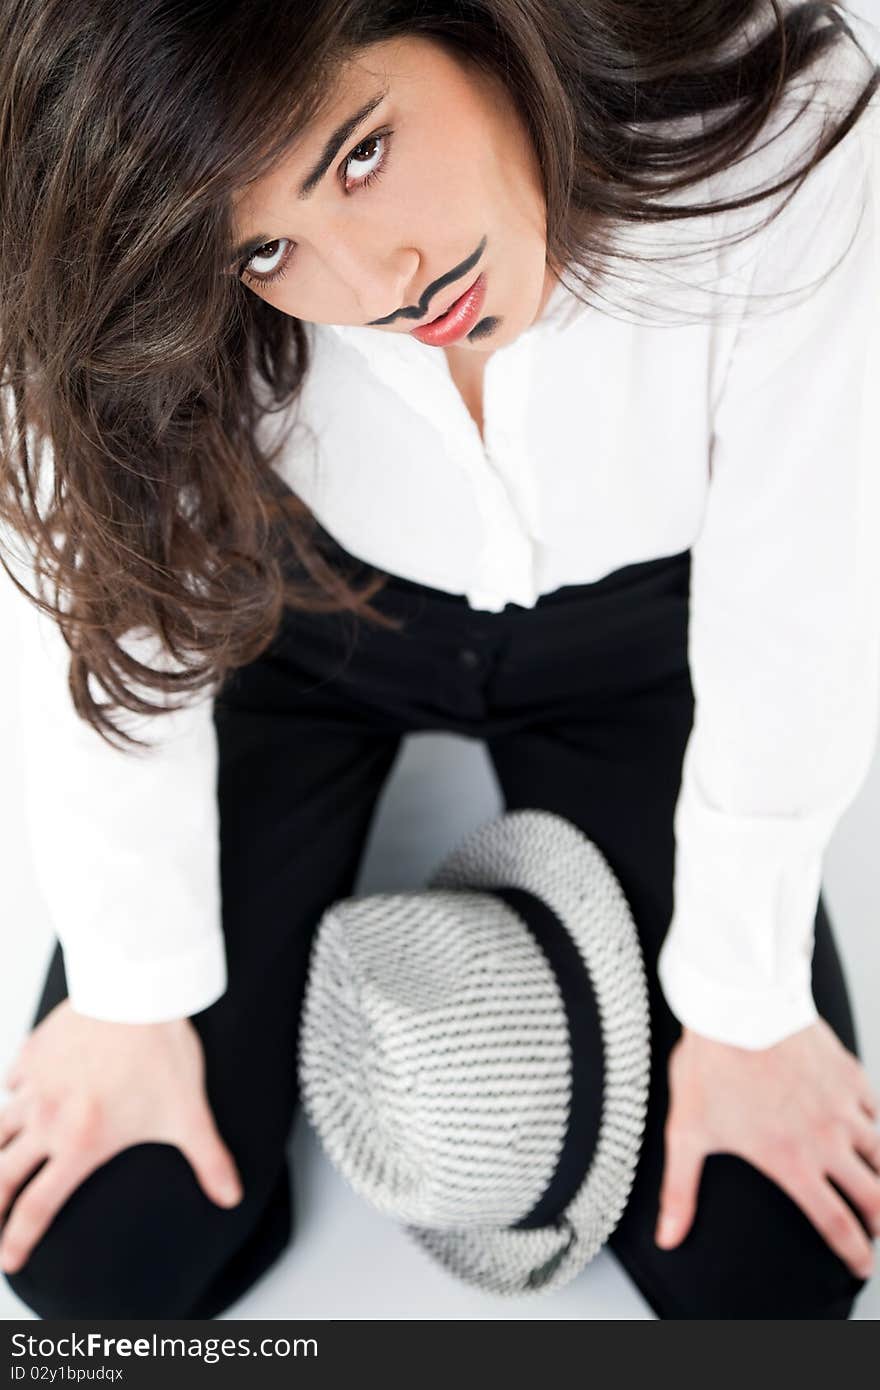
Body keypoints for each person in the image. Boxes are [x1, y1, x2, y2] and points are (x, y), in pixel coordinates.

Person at [0, 0, 879, 1321]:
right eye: (271, 247)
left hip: (641, 638)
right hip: (302, 616)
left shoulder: (765, 114)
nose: (377, 283)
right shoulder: (159, 242)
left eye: (360, 152)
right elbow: (102, 560)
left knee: (766, 1266)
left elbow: (805, 577)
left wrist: (747, 1000)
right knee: (109, 1257)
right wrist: (132, 980)